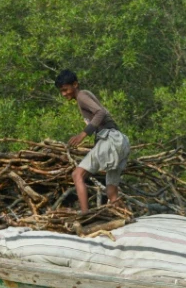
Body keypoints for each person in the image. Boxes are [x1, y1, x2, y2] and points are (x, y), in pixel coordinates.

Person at [55, 69, 130, 213]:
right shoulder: (86, 95)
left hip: (110, 139)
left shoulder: (82, 95)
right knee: (112, 193)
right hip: (121, 140)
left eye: (65, 89)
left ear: (75, 84)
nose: (64, 94)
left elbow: (100, 112)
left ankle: (85, 215)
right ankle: (125, 217)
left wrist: (83, 134)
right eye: (61, 91)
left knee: (77, 175)